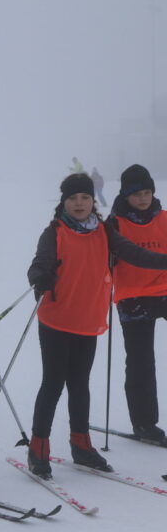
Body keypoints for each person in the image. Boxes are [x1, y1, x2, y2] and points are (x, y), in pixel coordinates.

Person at [26, 173, 167, 478]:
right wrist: (40, 277)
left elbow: (133, 253)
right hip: (57, 319)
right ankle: (38, 447)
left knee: (80, 385)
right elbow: (38, 264)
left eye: (85, 198)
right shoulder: (54, 232)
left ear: (93, 201)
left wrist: (163, 260)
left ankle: (81, 444)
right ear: (64, 202)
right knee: (53, 383)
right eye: (73, 198)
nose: (80, 204)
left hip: (88, 320)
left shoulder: (104, 230)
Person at [106, 165, 167, 443]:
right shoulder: (115, 224)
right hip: (132, 295)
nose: (143, 198)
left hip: (165, 290)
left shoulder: (164, 218)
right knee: (141, 360)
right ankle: (144, 423)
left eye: (147, 192)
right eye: (136, 194)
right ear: (125, 195)